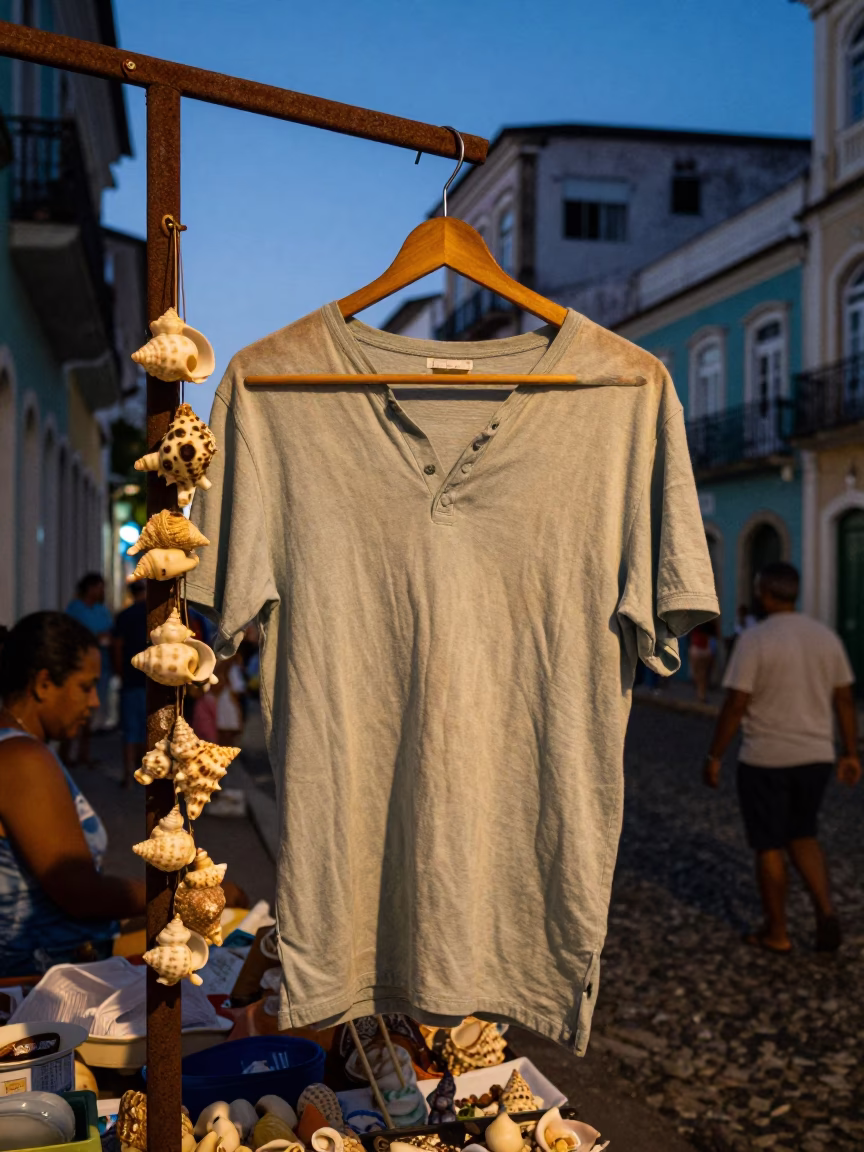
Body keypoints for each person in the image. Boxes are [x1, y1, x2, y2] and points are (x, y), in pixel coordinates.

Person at [703, 561, 860, 954]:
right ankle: (825, 909)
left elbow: (736, 703)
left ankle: (778, 932)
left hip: (766, 759)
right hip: (816, 757)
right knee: (803, 833)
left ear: (763, 593)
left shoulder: (754, 640)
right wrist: (851, 752)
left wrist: (715, 754)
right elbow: (844, 700)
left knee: (769, 844)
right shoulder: (825, 637)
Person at [0, 613, 146, 975]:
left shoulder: (28, 751)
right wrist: (178, 893)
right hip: (37, 978)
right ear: (44, 683)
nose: (95, 701)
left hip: (67, 953)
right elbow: (81, 893)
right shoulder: (22, 759)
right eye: (86, 686)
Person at [66, 573, 113, 760]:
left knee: (89, 712)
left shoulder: (102, 610)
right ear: (90, 588)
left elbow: (109, 631)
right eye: (99, 587)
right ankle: (66, 753)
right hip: (79, 665)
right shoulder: (75, 608)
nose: (102, 591)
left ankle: (83, 754)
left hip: (101, 665)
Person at [112, 582, 148, 788]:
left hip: (130, 678)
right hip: (150, 678)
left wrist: (120, 671)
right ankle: (143, 771)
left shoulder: (124, 615)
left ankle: (128, 774)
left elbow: (117, 645)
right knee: (146, 728)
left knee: (129, 729)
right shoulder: (154, 614)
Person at [688, 619, 717, 702]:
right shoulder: (710, 619)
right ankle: (702, 694)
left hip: (696, 648)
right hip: (706, 648)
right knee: (703, 673)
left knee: (697, 673)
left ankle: (700, 693)